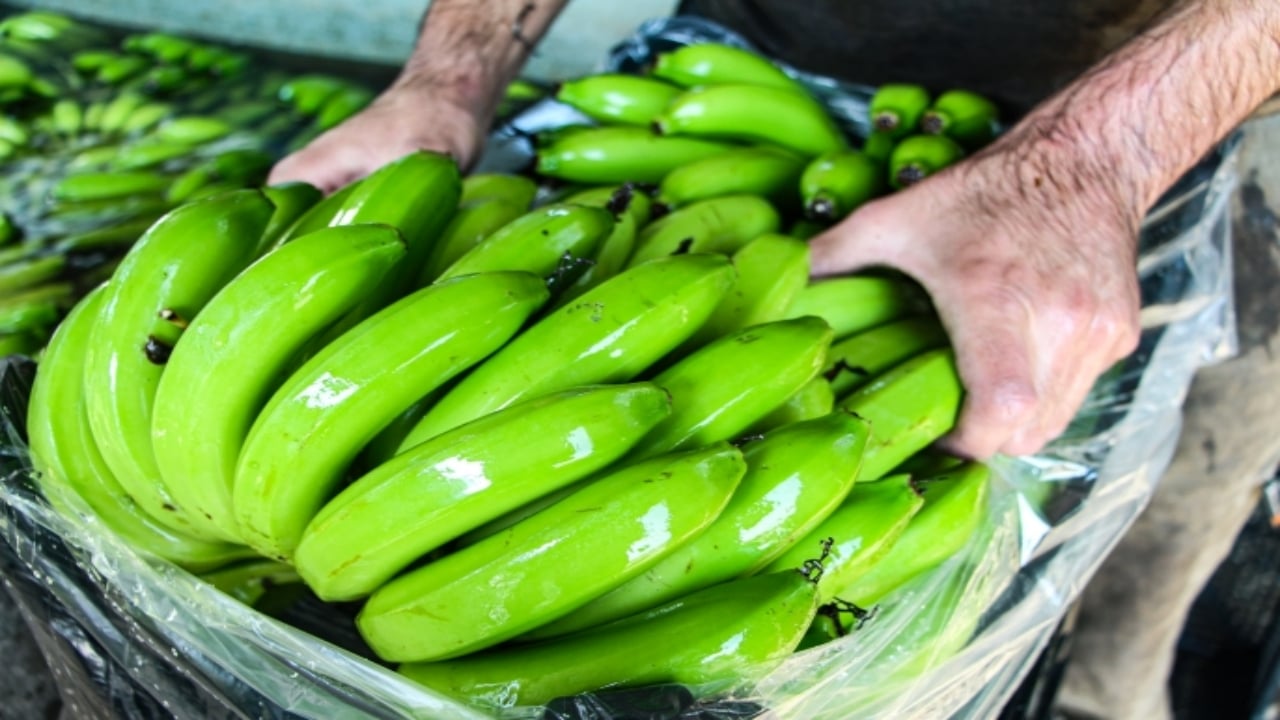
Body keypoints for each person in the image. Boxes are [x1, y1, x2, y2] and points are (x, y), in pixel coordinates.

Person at [269, 1, 1280, 717]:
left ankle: (1112, 690)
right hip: (760, 36)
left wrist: (1087, 163)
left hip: (1170, 104)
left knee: (1142, 529)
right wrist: (446, 78)